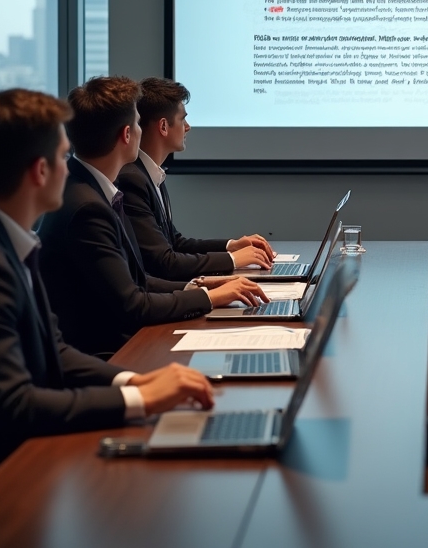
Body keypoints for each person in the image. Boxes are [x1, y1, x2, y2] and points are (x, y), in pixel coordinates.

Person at [0, 89, 215, 480]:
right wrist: (138, 398)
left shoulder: (3, 238)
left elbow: (55, 351)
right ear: (40, 171)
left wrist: (137, 380)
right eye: (61, 157)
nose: (68, 168)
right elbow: (15, 405)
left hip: (33, 454)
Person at [39, 77, 267, 356]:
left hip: (120, 340)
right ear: (126, 135)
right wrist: (208, 297)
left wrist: (201, 285)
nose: (140, 130)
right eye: (136, 123)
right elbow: (133, 304)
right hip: (107, 353)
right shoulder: (89, 207)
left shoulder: (95, 189)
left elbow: (138, 280)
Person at [117, 77, 274, 280]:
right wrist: (233, 260)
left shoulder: (150, 173)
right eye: (183, 119)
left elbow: (175, 242)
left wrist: (230, 246)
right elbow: (164, 262)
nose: (188, 127)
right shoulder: (133, 179)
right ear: (164, 127)